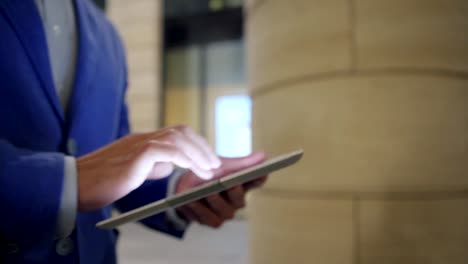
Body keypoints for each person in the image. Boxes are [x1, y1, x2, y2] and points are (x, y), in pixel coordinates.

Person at [0, 0, 267, 263]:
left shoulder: (107, 34)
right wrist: (68, 180)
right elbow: (91, 173)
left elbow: (112, 155)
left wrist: (178, 188)